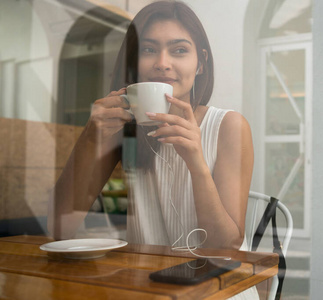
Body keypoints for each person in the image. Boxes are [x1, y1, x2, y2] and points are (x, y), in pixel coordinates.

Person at [47, 1, 254, 254]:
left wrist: (197, 165)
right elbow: (59, 228)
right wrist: (91, 137)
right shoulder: (122, 128)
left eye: (179, 50)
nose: (162, 63)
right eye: (148, 49)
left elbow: (226, 246)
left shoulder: (229, 126)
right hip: (147, 286)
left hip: (215, 288)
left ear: (201, 63)